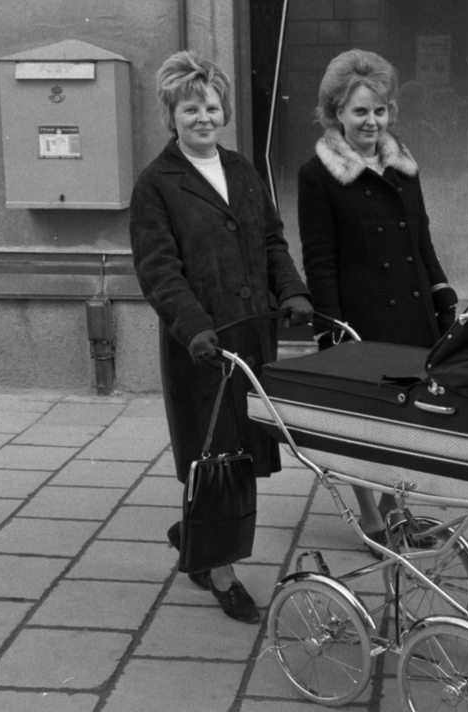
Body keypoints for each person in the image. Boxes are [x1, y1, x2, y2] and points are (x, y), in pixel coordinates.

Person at [130, 51, 312, 623]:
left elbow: (271, 241)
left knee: (239, 454)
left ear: (224, 111)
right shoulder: (156, 184)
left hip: (251, 337)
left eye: (211, 106)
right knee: (218, 459)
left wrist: (292, 291)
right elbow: (159, 270)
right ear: (171, 115)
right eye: (190, 109)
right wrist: (195, 328)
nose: (202, 117)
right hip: (203, 349)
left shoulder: (242, 171)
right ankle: (222, 573)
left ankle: (196, 538)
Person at [297, 49, 457, 555]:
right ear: (336, 113)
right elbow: (319, 259)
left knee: (407, 421)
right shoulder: (317, 175)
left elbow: (422, 241)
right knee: (363, 422)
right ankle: (370, 513)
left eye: (380, 110)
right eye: (360, 111)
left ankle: (395, 506)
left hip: (412, 315)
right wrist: (331, 329)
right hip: (361, 321)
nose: (372, 121)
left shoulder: (404, 167)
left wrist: (443, 296)